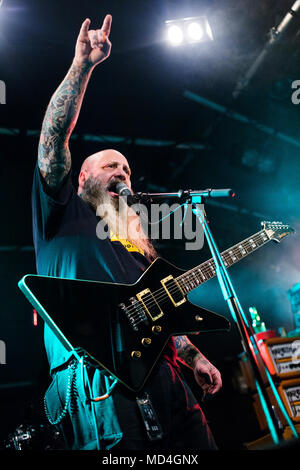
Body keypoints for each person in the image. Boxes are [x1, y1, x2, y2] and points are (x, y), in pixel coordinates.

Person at [32, 14, 222, 451]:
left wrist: (195, 355)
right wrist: (83, 65)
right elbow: (52, 138)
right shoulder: (62, 208)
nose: (122, 172)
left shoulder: (136, 235)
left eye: (127, 168)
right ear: (82, 177)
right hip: (97, 373)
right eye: (111, 165)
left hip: (166, 372)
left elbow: (161, 304)